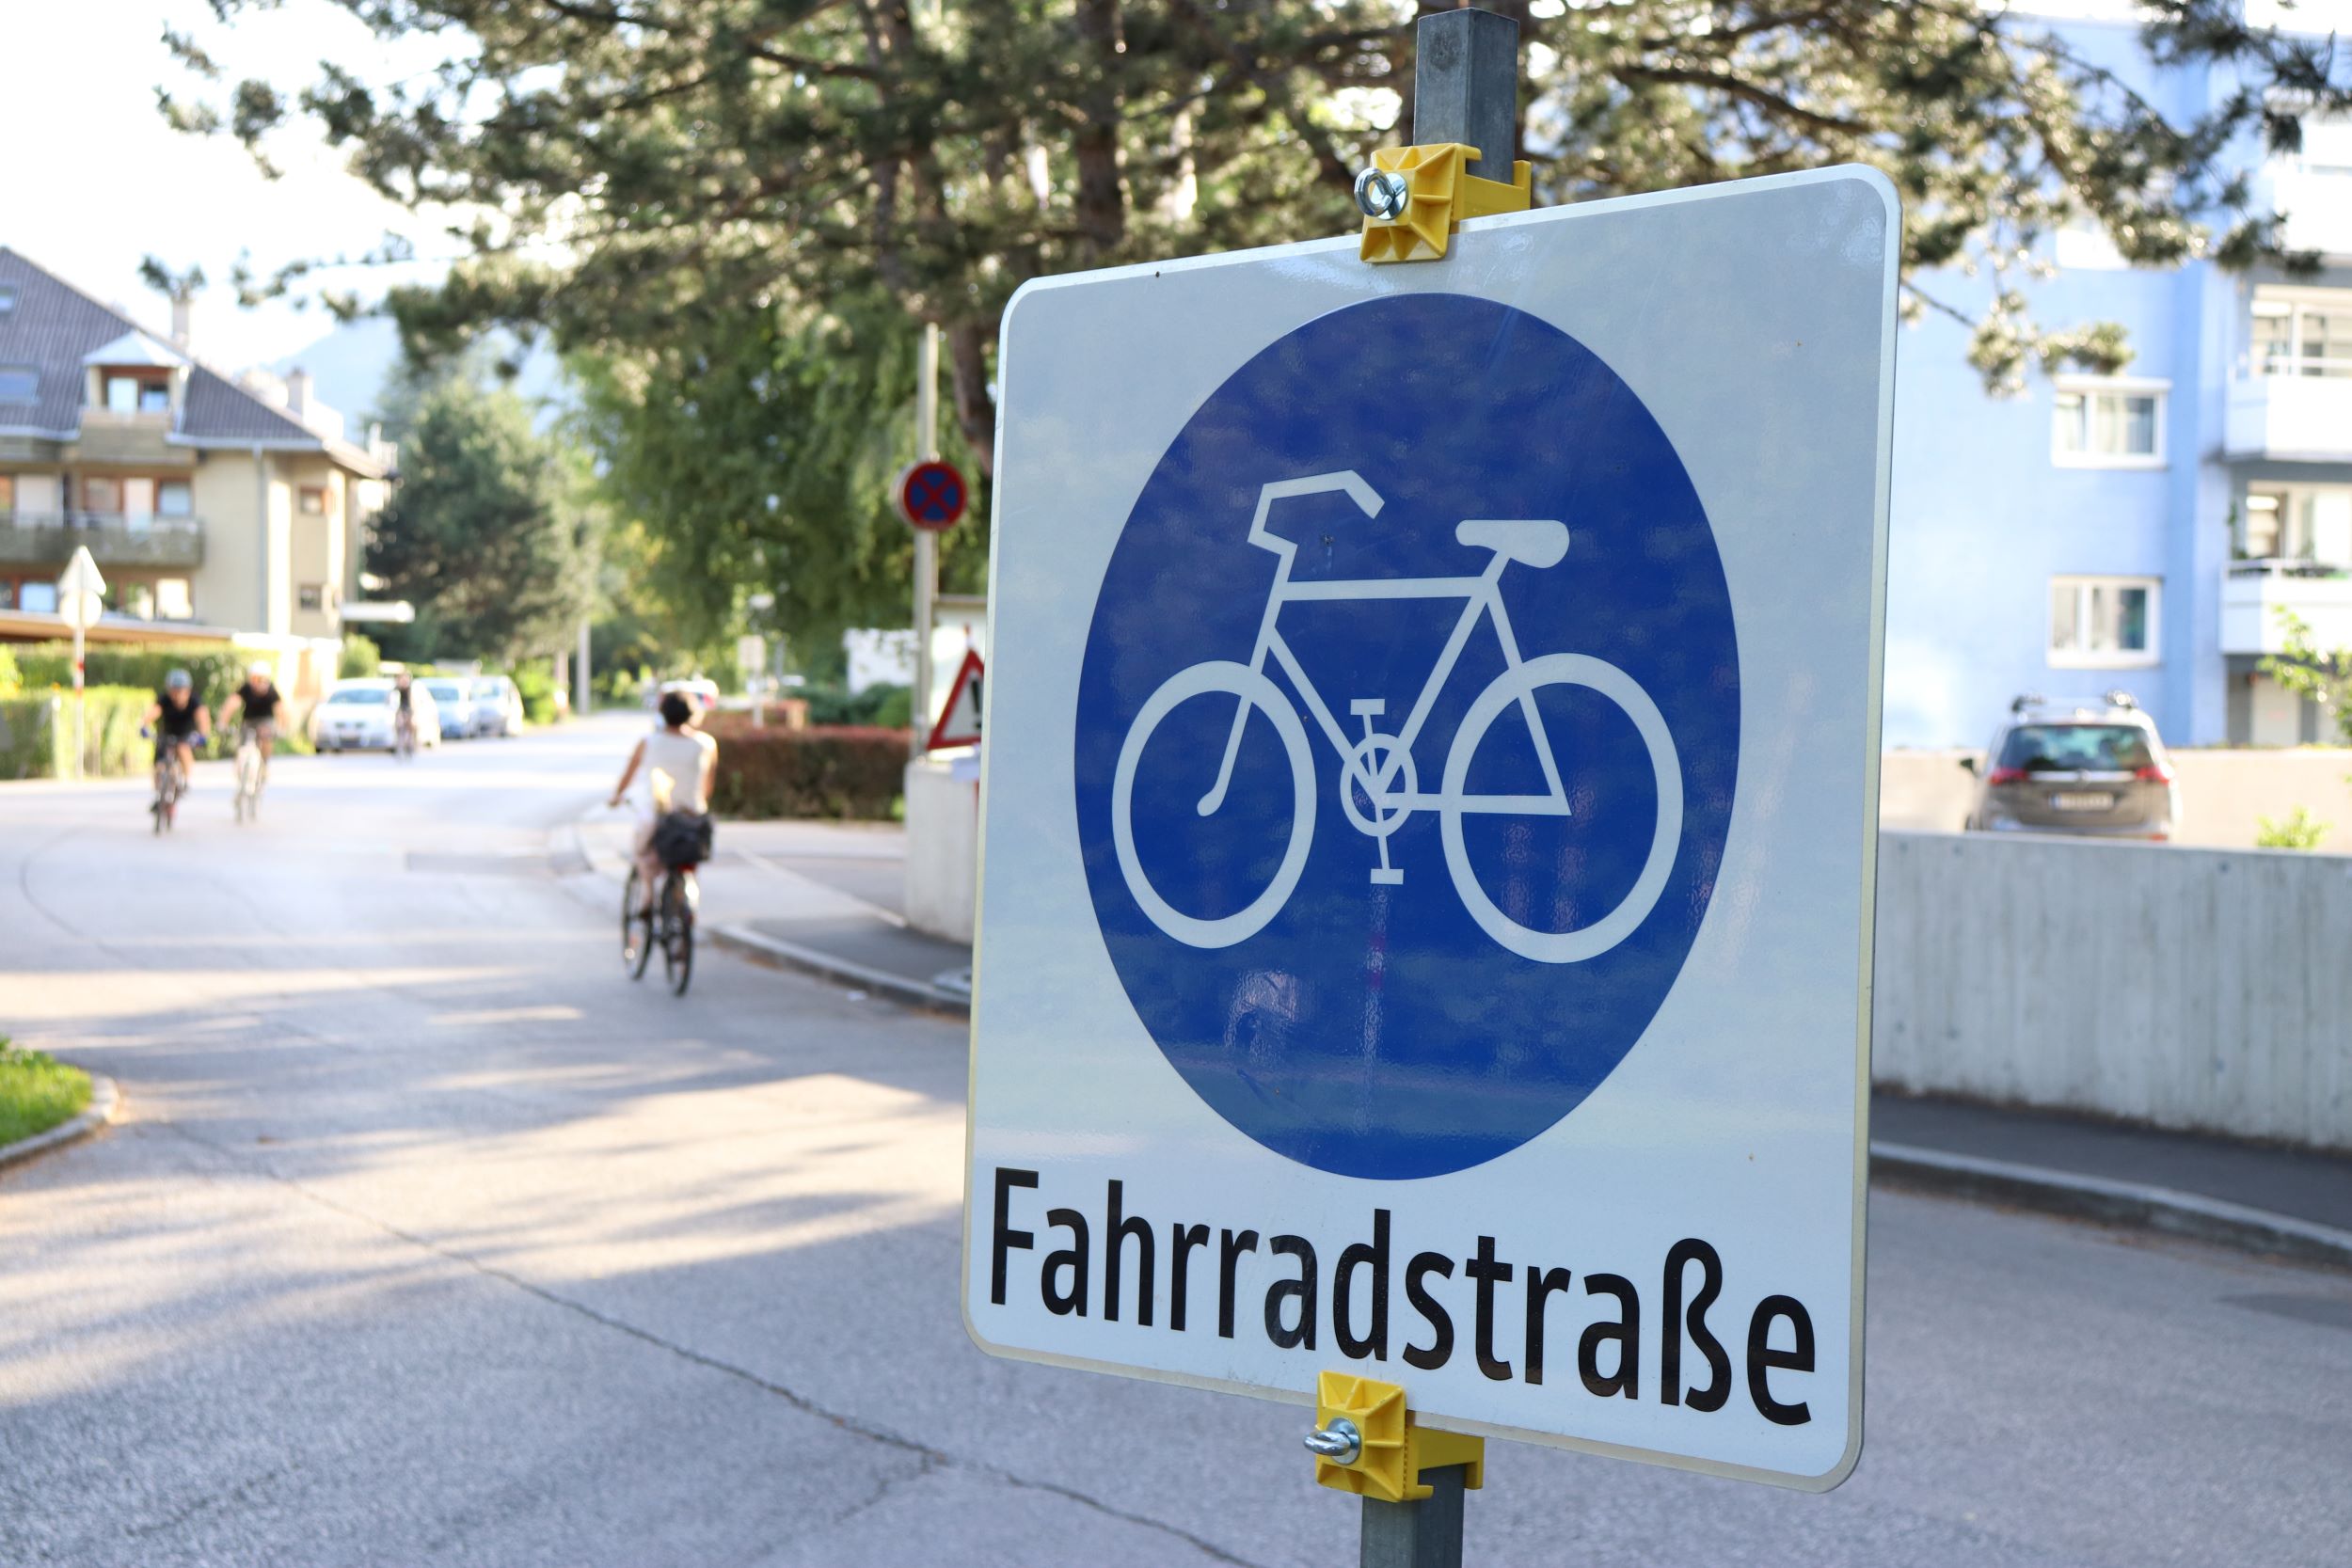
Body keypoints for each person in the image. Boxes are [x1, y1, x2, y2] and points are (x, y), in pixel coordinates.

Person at [608, 691, 719, 914]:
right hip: (693, 817)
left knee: (641, 854)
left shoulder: (648, 742)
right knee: (688, 863)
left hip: (659, 816)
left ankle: (648, 896)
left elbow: (627, 777)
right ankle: (687, 909)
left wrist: (616, 797)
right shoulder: (705, 744)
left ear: (662, 713)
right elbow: (708, 787)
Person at [145, 669, 211, 786]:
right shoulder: (164, 699)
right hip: (167, 734)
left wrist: (203, 735)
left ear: (187, 690)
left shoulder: (194, 700)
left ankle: (186, 780)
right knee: (159, 766)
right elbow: (154, 712)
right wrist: (143, 725)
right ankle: (160, 794)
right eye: (173, 690)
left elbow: (202, 717)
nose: (177, 694)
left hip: (185, 734)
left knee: (183, 749)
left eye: (180, 690)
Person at [391, 669, 417, 754]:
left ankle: (409, 745)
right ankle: (401, 746)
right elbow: (392, 698)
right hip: (401, 709)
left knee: (410, 728)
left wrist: (412, 712)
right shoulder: (398, 688)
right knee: (400, 727)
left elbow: (411, 700)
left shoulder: (409, 688)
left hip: (408, 709)